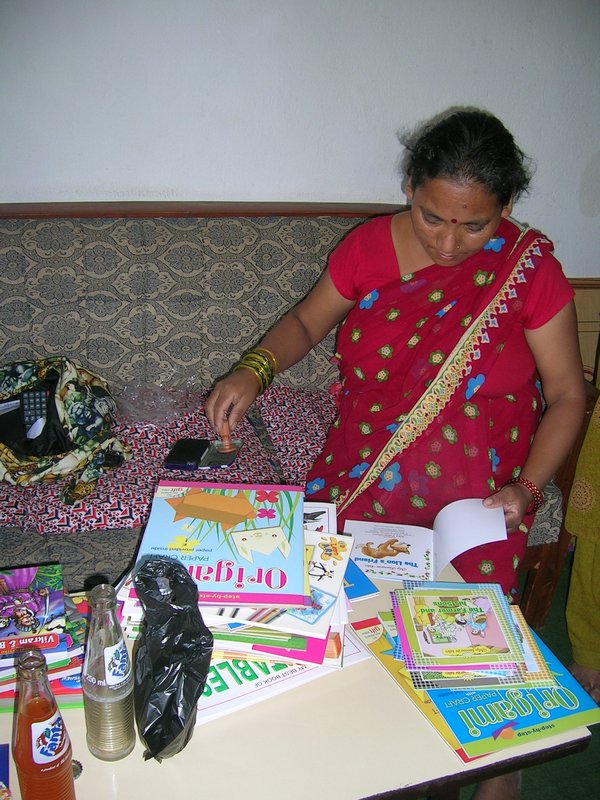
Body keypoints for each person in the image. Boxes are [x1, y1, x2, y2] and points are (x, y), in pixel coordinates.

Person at [205, 107, 587, 799]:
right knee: (338, 594)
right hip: (368, 463)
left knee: (465, 629)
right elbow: (303, 322)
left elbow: (566, 395)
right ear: (411, 187)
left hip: (478, 485)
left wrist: (527, 489)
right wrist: (253, 369)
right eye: (432, 217)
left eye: (475, 225)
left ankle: (503, 762)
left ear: (507, 209)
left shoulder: (528, 270)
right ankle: (370, 744)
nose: (448, 243)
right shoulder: (368, 249)